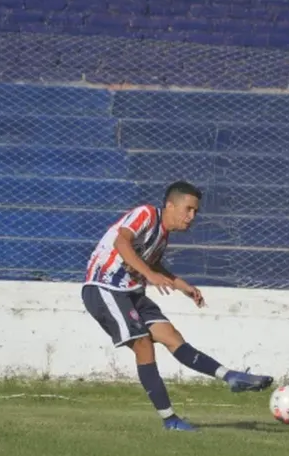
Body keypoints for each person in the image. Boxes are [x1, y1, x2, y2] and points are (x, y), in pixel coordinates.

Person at [82, 180, 273, 431]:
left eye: (195, 211)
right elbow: (121, 242)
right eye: (188, 209)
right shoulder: (146, 214)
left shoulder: (162, 235)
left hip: (131, 292)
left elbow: (154, 265)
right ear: (170, 205)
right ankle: (170, 419)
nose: (192, 217)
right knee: (143, 345)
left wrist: (182, 285)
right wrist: (149, 275)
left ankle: (231, 377)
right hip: (104, 287)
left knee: (172, 337)